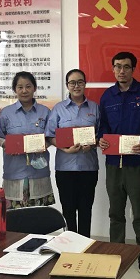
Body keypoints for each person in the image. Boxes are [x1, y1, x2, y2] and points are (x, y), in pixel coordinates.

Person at [98, 52, 140, 274]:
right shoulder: (107, 96)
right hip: (113, 163)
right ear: (113, 69)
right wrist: (102, 139)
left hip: (137, 162)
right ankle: (117, 251)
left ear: (133, 69)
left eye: (126, 67)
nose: (121, 71)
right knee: (115, 211)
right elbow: (103, 126)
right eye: (117, 66)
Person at [46, 69, 99, 237]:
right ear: (67, 85)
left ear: (85, 84)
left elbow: (101, 135)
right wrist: (65, 148)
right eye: (72, 83)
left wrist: (93, 144)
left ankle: (84, 243)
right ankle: (70, 242)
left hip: (88, 167)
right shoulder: (58, 109)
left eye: (80, 82)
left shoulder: (94, 107)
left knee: (86, 209)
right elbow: (50, 136)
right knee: (68, 209)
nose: (76, 86)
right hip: (65, 168)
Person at [0, 72, 55, 209]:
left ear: (34, 88)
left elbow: (51, 136)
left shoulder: (45, 112)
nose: (24, 90)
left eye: (28, 86)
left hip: (39, 171)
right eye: (20, 87)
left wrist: (45, 144)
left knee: (38, 215)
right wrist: (6, 144)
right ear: (14, 89)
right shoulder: (6, 113)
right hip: (14, 170)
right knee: (14, 216)